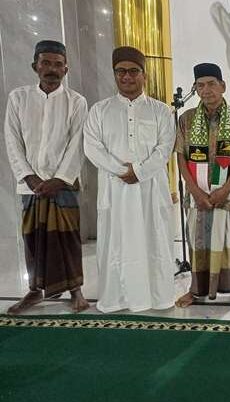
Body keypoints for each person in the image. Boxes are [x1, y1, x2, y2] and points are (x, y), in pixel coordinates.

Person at [84, 46, 176, 313]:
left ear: (144, 75)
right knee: (116, 243)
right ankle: (117, 298)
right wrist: (121, 170)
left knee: (154, 240)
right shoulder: (99, 110)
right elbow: (92, 148)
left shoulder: (161, 111)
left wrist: (140, 171)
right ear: (114, 74)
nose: (127, 76)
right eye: (121, 71)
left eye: (133, 71)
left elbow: (165, 148)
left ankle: (157, 297)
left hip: (151, 189)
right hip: (115, 191)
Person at [4, 40, 88, 314]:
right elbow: (12, 140)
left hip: (64, 185)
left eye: (57, 64)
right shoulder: (18, 98)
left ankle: (76, 291)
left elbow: (78, 143)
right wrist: (28, 177)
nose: (52, 69)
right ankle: (34, 291)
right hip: (31, 186)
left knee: (68, 239)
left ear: (66, 69)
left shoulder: (76, 102)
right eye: (46, 63)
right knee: (33, 240)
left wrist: (59, 179)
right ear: (35, 66)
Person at [174, 63, 230, 309]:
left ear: (223, 86)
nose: (206, 90)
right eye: (200, 85)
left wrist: (225, 190)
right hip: (197, 196)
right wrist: (196, 192)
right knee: (198, 242)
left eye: (211, 84)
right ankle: (196, 290)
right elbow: (181, 157)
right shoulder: (187, 119)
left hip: (229, 195)